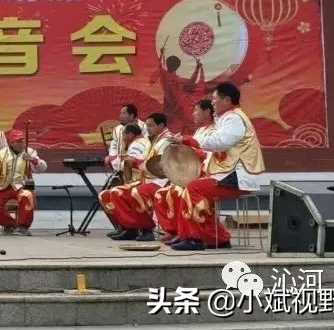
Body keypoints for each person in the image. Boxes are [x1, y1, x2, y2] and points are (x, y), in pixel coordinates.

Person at [168, 82, 263, 251]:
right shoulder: (227, 119)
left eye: (214, 99)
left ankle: (194, 239)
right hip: (228, 175)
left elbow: (220, 142)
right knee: (193, 188)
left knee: (193, 188)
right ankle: (217, 238)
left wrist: (188, 140)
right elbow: (215, 151)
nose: (212, 103)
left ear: (227, 100)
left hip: (236, 177)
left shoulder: (234, 118)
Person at [156, 100, 215, 244]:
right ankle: (174, 231)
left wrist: (186, 144)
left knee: (178, 192)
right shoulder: (200, 131)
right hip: (193, 174)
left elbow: (208, 156)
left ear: (207, 112)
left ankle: (191, 234)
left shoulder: (215, 132)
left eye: (196, 110)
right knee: (162, 193)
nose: (193, 114)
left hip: (207, 174)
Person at [112, 113, 172, 242]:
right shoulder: (155, 139)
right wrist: (135, 161)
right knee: (117, 192)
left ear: (161, 125)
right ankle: (130, 228)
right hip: (149, 178)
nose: (147, 128)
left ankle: (147, 229)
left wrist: (136, 162)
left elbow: (159, 166)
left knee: (137, 192)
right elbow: (146, 160)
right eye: (147, 125)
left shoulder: (167, 141)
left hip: (161, 180)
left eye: (151, 125)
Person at [0, 129, 44, 236]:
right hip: (3, 187)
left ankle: (23, 227)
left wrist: (33, 160)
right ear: (12, 143)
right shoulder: (1, 154)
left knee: (27, 195)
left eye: (22, 141)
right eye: (18, 141)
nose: (22, 143)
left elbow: (42, 168)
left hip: (22, 186)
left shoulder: (30, 152)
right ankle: (10, 225)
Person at [99, 123, 152, 241]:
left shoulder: (137, 145)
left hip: (140, 180)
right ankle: (125, 227)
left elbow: (127, 164)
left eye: (123, 134)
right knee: (109, 193)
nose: (122, 137)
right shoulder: (140, 142)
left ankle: (130, 227)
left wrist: (113, 161)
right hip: (136, 180)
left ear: (130, 134)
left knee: (112, 193)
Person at [105, 104, 147, 175]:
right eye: (120, 113)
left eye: (123, 113)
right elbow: (114, 145)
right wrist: (112, 156)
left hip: (138, 166)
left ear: (131, 115)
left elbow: (147, 146)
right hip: (121, 165)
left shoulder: (144, 127)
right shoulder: (117, 129)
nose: (120, 116)